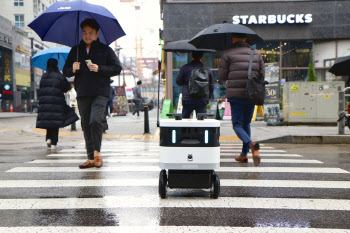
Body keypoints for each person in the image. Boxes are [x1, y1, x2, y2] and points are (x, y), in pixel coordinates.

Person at [63, 18, 122, 169]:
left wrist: (99, 68)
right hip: (83, 92)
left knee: (95, 120)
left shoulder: (105, 49)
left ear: (96, 33)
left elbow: (117, 68)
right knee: (86, 124)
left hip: (100, 92)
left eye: (90, 33)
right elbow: (65, 71)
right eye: (84, 32)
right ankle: (90, 158)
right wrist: (73, 69)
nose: (87, 36)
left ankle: (97, 153)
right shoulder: (76, 50)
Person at [218, 34, 265, 166]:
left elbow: (222, 75)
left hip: (235, 94)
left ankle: (251, 144)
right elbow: (262, 75)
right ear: (245, 39)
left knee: (237, 125)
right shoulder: (256, 53)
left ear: (233, 39)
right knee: (246, 124)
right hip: (252, 94)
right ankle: (244, 155)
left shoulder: (227, 53)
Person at [36, 58, 79, 150]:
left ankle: (48, 138)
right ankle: (54, 142)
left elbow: (40, 88)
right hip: (57, 102)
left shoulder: (44, 76)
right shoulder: (59, 76)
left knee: (49, 122)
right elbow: (66, 88)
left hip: (45, 102)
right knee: (55, 123)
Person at [176, 51, 214, 118]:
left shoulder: (185, 68)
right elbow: (211, 85)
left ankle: (185, 129)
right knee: (202, 121)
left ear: (191, 56)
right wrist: (208, 96)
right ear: (202, 57)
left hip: (188, 99)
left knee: (185, 119)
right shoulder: (207, 70)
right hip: (202, 99)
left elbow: (178, 82)